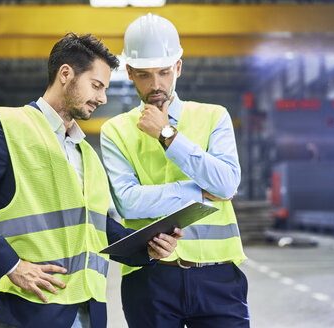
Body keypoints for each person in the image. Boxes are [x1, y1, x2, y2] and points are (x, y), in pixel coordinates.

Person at [0, 32, 182, 328]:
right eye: (96, 85)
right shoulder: (8, 127)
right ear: (66, 74)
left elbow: (95, 227)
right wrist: (10, 265)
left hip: (87, 309)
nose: (102, 98)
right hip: (30, 311)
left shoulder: (84, 151)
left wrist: (147, 248)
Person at [100, 14, 249, 328]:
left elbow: (226, 184)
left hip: (218, 276)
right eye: (144, 75)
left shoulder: (214, 117)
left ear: (178, 67)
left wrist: (167, 135)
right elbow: (128, 202)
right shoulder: (115, 130)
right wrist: (198, 193)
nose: (156, 85)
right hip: (150, 279)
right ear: (129, 73)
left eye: (164, 72)